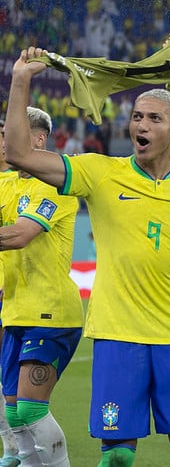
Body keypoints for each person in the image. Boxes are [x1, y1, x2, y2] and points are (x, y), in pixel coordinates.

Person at [5, 47, 170, 466]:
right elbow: (19, 155)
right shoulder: (101, 172)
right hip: (117, 338)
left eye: (153, 118)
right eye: (137, 116)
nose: (140, 125)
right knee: (118, 459)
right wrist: (20, 82)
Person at [0, 107, 81, 466]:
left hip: (52, 313)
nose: (5, 144)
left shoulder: (56, 185)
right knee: (16, 413)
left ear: (38, 139)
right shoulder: (7, 184)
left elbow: (19, 235)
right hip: (16, 311)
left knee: (31, 409)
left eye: (10, 135)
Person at [0, 119, 20, 464]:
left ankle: (15, 447)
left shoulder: (20, 182)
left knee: (10, 380)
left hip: (12, 292)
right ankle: (12, 446)